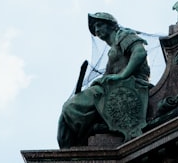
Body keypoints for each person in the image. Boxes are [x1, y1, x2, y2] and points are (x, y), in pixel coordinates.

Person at [57, 13, 151, 148]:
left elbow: (140, 52)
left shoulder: (123, 35)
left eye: (99, 25)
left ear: (111, 25)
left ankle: (87, 134)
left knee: (70, 107)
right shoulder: (112, 51)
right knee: (66, 113)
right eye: (95, 28)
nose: (96, 30)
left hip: (131, 85)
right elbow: (108, 76)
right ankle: (73, 146)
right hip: (113, 88)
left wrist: (122, 75)